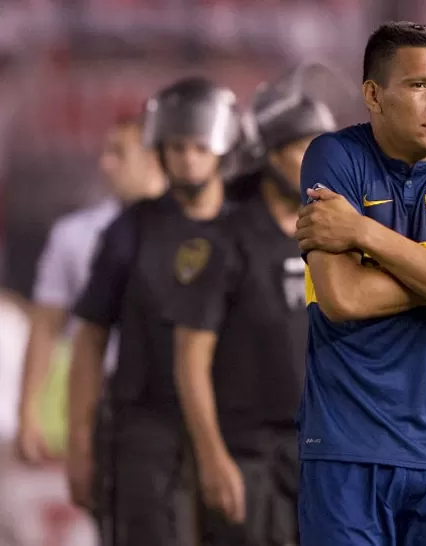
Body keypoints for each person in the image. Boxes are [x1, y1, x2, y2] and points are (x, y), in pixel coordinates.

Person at [294, 21, 426, 546]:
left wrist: (364, 233)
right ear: (374, 95)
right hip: (347, 448)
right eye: (419, 85)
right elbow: (343, 297)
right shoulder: (333, 158)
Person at [66, 77, 243, 546]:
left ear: (223, 150)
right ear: (159, 151)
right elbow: (90, 340)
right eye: (176, 147)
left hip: (238, 433)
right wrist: (80, 442)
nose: (187, 160)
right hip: (146, 432)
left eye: (200, 147)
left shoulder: (251, 228)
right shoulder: (131, 230)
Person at [167, 64, 336, 546]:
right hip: (247, 457)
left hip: (319, 456)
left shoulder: (334, 240)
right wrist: (212, 458)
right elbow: (190, 362)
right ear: (267, 155)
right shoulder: (223, 243)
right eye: (305, 149)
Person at [16, 115, 165, 465]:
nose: (105, 164)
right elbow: (46, 326)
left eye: (119, 152)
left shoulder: (202, 230)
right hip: (101, 402)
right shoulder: (76, 234)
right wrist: (28, 412)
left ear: (154, 157)